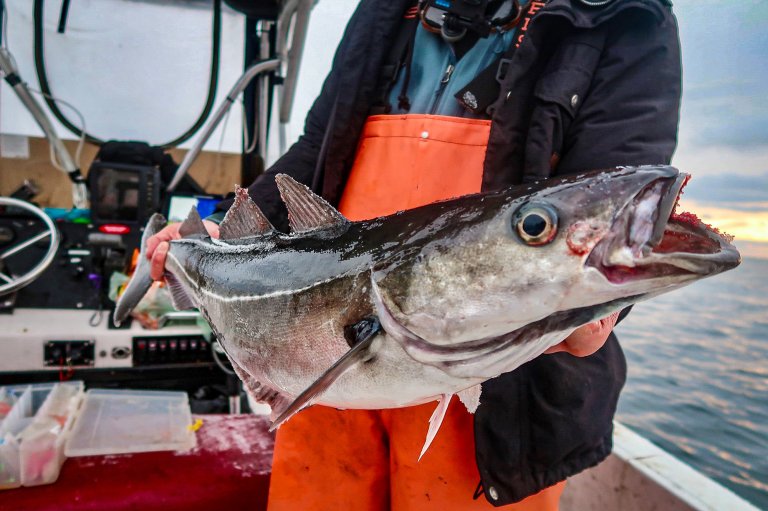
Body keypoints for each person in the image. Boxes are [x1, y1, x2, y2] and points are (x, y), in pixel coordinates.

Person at [146, 0, 681, 508]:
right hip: (325, 350)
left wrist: (602, 308)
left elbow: (610, 202)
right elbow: (319, 144)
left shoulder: (626, 17)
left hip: (497, 400)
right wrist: (220, 232)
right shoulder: (382, 10)